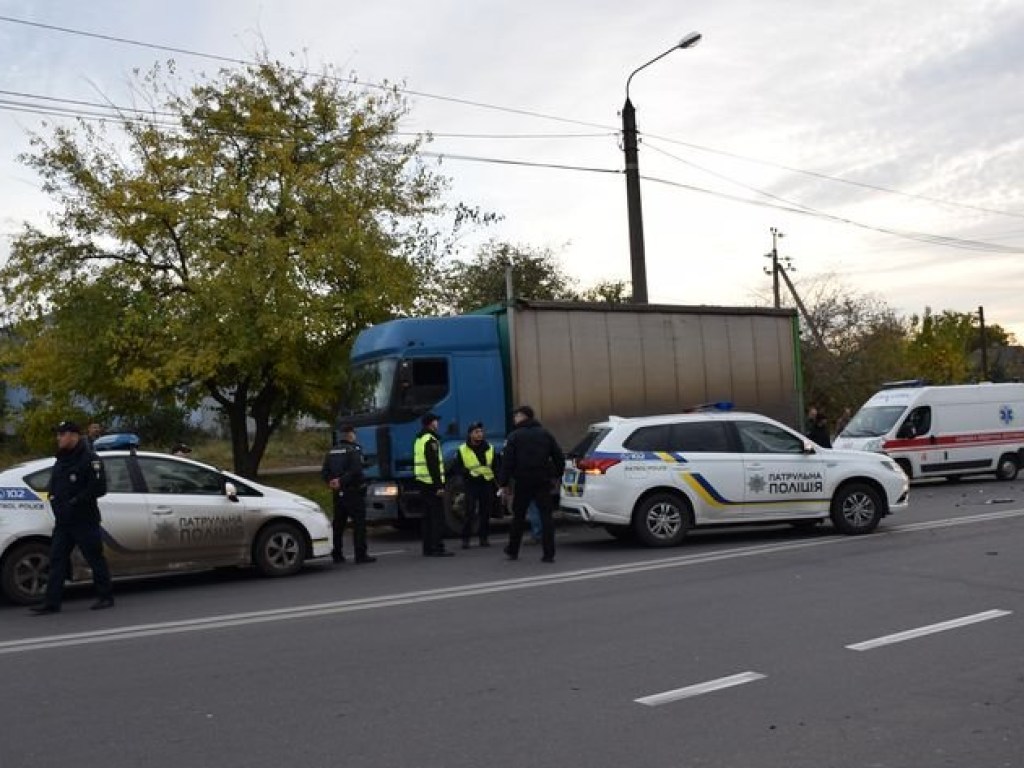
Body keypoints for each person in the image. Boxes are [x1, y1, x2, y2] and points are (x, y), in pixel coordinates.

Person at [31, 421, 114, 614]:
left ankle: (105, 596)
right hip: (64, 522)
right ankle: (52, 603)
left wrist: (75, 502)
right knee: (57, 560)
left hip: (84, 519)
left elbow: (99, 488)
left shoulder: (90, 459)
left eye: (63, 434)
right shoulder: (61, 459)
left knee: (94, 558)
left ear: (74, 436)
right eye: (58, 434)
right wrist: (54, 502)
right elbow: (55, 486)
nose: (59, 438)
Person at [497, 405, 564, 563]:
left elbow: (508, 462)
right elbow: (558, 456)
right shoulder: (545, 434)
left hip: (523, 481)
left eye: (516, 416)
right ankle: (549, 553)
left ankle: (513, 550)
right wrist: (556, 475)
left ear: (523, 416)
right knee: (546, 516)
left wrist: (503, 483)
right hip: (542, 480)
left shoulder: (514, 436)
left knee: (518, 516)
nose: (514, 418)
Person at [321, 424, 376, 565]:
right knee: (359, 523)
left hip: (338, 492)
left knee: (338, 524)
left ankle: (337, 554)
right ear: (351, 435)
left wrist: (332, 482)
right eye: (353, 433)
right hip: (353, 491)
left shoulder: (332, 451)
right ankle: (360, 554)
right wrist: (341, 480)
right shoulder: (354, 450)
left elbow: (325, 472)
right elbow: (355, 471)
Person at [446, 422, 497, 548]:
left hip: (486, 483)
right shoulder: (462, 449)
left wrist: (500, 482)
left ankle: (483, 538)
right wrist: (466, 473)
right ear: (470, 435)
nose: (479, 434)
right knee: (469, 511)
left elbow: (496, 465)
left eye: (481, 432)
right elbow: (456, 467)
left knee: (486, 512)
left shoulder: (489, 447)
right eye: (476, 432)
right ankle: (465, 539)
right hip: (471, 483)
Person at [413, 413, 453, 557]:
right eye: (436, 421)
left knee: (427, 518)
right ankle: (437, 547)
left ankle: (428, 548)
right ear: (431, 423)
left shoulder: (419, 439)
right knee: (437, 517)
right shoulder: (431, 440)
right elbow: (433, 465)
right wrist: (439, 486)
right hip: (431, 484)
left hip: (423, 483)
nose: (438, 424)